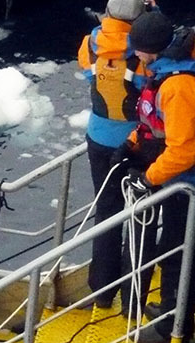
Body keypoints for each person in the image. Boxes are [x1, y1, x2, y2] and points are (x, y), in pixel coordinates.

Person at [115, 10, 195, 343]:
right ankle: (170, 309)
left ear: (152, 50)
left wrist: (149, 178)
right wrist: (132, 143)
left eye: (140, 50)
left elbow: (184, 149)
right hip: (179, 180)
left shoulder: (176, 86)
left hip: (187, 183)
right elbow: (155, 124)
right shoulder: (165, 73)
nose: (137, 57)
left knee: (179, 250)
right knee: (172, 247)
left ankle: (172, 326)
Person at [78, 0, 153, 309]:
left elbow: (86, 73)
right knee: (141, 217)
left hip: (98, 137)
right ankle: (132, 298)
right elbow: (152, 83)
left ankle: (102, 290)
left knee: (106, 212)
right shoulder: (143, 51)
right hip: (136, 144)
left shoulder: (91, 43)